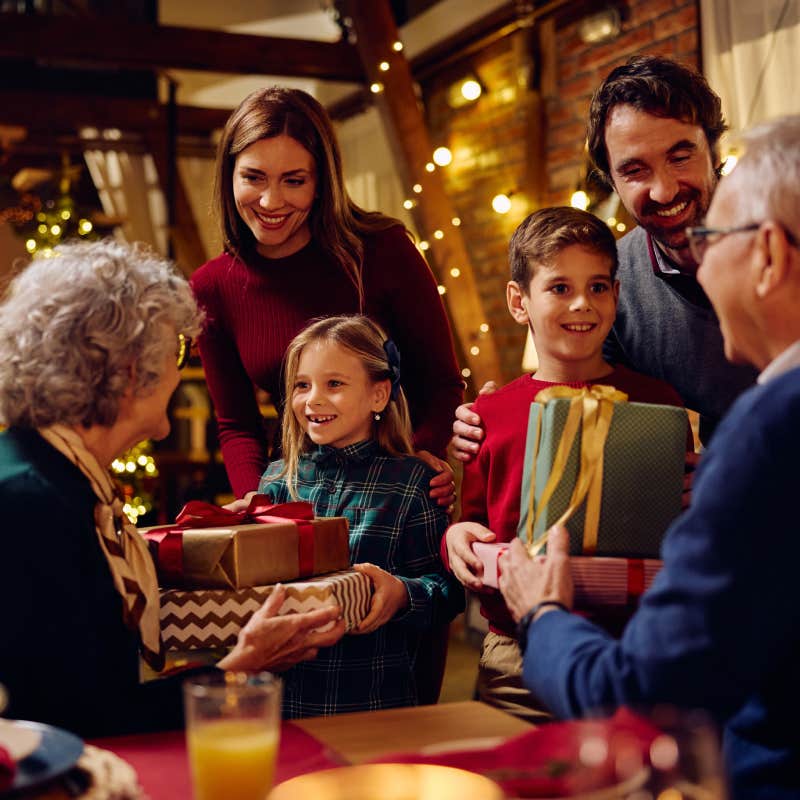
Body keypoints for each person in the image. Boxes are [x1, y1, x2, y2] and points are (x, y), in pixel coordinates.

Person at [498, 116, 800, 799]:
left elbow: (644, 693)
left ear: (770, 256)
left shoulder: (770, 429)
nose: (697, 262)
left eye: (709, 238)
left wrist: (543, 616)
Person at [0, 240, 345, 738]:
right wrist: (241, 669)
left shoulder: (56, 477)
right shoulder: (32, 504)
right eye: (175, 350)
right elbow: (80, 719)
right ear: (129, 372)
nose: (184, 367)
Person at [443, 207, 686, 722]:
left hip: (633, 650)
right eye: (559, 288)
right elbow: (473, 521)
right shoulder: (487, 415)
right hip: (518, 656)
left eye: (598, 286)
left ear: (617, 295)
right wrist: (456, 539)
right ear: (519, 302)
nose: (582, 303)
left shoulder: (660, 403)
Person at [452, 55, 757, 460]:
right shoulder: (612, 281)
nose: (664, 191)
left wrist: (728, 471)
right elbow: (587, 398)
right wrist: (493, 417)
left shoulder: (784, 234)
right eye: (634, 171)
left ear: (713, 147)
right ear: (611, 180)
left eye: (680, 157)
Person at [190, 86, 462, 505]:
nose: (270, 201)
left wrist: (418, 456)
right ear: (229, 176)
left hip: (395, 488)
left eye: (294, 181)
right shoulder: (212, 286)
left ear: (322, 182)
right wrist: (257, 502)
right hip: (295, 496)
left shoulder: (384, 250)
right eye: (253, 177)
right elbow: (237, 424)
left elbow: (442, 382)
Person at [257, 315, 464, 718]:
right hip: (280, 708)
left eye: (334, 384)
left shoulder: (412, 483)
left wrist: (403, 593)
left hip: (371, 703)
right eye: (302, 385)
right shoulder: (276, 481)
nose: (313, 399)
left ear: (378, 395)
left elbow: (448, 590)